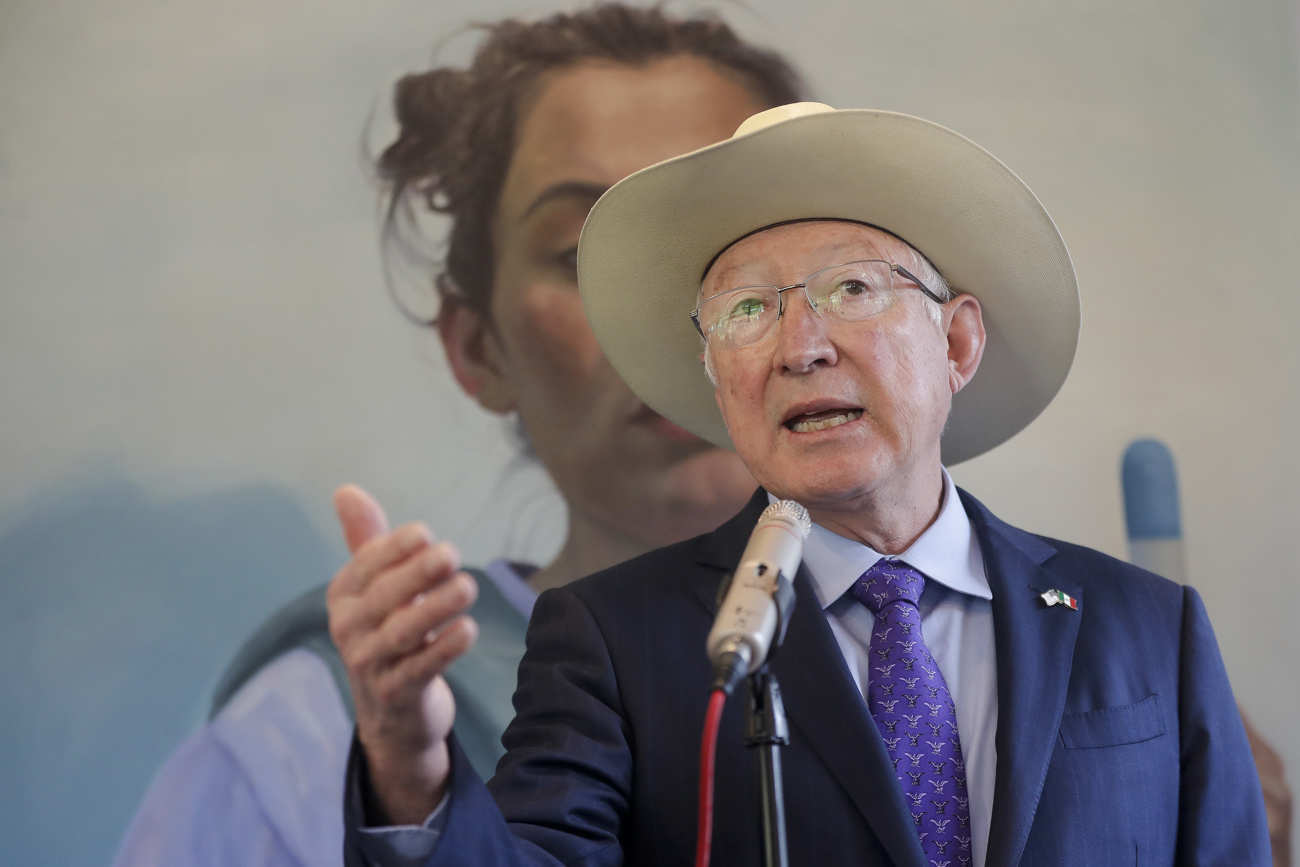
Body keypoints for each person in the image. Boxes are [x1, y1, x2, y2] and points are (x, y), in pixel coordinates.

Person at [337, 103, 1272, 865]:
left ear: (956, 343)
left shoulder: (1149, 626)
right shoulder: (616, 642)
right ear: (716, 379)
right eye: (747, 311)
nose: (800, 346)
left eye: (853, 290)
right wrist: (407, 759)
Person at [111, 7, 806, 866]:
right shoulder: (316, 725)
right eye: (583, 253)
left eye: (727, 244)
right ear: (477, 346)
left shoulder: (971, 645)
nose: (679, 316)